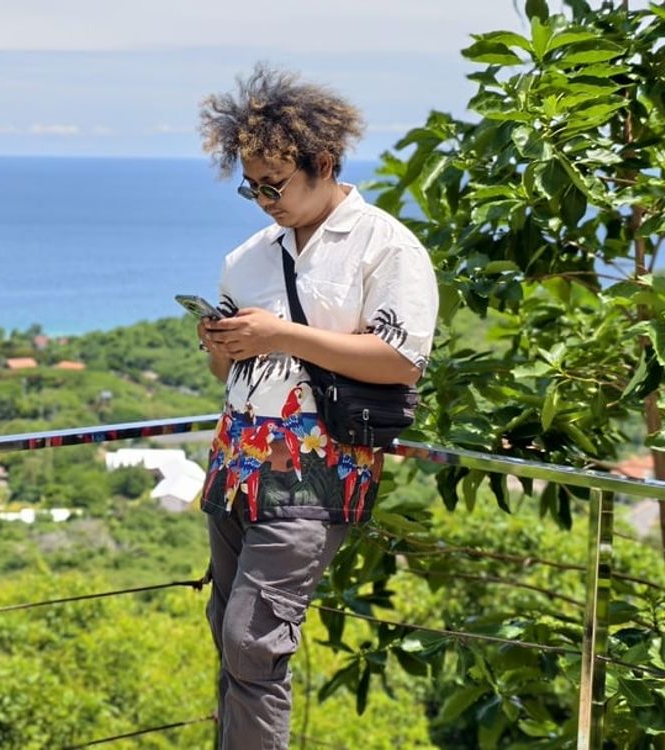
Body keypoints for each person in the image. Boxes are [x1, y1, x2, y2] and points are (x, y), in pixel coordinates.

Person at [194, 65, 438, 749]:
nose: (262, 200)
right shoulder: (247, 257)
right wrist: (223, 344)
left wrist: (280, 334)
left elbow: (400, 360)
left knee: (254, 639)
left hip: (319, 472)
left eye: (274, 184)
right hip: (236, 467)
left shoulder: (385, 246)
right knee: (229, 636)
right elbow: (228, 373)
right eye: (251, 186)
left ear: (323, 163)